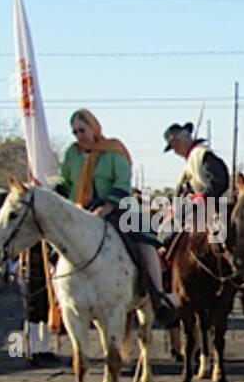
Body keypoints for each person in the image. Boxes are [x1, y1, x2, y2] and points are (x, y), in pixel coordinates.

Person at [55, 109, 177, 324]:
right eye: (74, 132)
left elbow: (123, 181)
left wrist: (109, 205)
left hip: (119, 206)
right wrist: (49, 193)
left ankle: (157, 295)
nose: (79, 136)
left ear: (94, 128)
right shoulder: (71, 154)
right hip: (82, 210)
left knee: (145, 243)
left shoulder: (113, 150)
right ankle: (62, 297)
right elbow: (66, 183)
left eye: (82, 130)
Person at [164, 122, 231, 237]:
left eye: (175, 145)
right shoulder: (192, 160)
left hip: (213, 208)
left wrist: (203, 197)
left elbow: (220, 180)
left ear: (184, 140)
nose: (175, 151)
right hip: (196, 207)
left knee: (166, 233)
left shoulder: (201, 154)